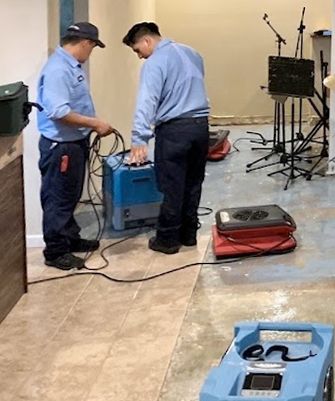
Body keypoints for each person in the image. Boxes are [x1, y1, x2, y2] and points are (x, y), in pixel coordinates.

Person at [123, 22, 210, 254]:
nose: (140, 56)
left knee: (172, 186)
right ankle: (189, 235)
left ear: (147, 41)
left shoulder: (154, 63)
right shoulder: (193, 53)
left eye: (137, 50)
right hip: (201, 127)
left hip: (174, 131)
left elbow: (147, 100)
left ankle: (168, 240)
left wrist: (139, 138)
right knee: (193, 183)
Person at [37, 22, 113, 270]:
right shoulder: (59, 69)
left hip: (74, 143)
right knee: (58, 198)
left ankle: (70, 238)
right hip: (61, 148)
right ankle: (56, 252)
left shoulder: (70, 66)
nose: (90, 53)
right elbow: (58, 111)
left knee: (70, 194)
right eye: (92, 47)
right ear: (85, 43)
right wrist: (95, 123)